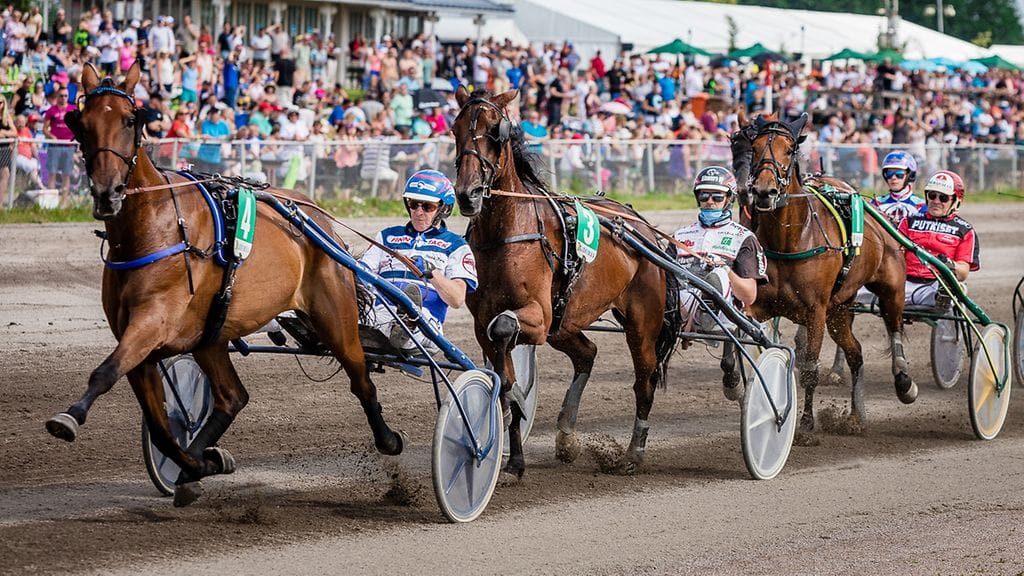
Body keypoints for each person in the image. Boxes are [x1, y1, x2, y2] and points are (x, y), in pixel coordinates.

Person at [359, 170, 477, 356]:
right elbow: (362, 271)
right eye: (413, 204)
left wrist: (432, 273)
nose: (418, 212)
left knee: (413, 312)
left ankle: (406, 322)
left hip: (426, 322)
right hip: (378, 312)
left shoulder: (456, 246)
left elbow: (457, 299)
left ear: (444, 209)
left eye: (427, 207)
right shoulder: (387, 236)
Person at [672, 166, 767, 335]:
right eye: (704, 195)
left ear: (729, 199)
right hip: (681, 305)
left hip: (725, 314)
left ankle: (708, 311)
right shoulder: (679, 236)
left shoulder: (744, 238)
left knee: (719, 274)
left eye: (717, 196)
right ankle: (698, 312)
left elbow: (749, 296)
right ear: (697, 198)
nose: (709, 201)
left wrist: (725, 269)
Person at [898, 170, 979, 310]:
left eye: (943, 198)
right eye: (932, 195)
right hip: (901, 284)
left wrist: (949, 265)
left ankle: (947, 300)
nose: (936, 201)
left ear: (956, 201)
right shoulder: (908, 221)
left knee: (948, 296)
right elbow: (895, 253)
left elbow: (963, 272)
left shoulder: (965, 230)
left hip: (935, 286)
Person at [43, 87, 77, 206]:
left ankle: (64, 201)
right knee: (52, 173)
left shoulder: (73, 109)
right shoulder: (51, 110)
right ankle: (52, 202)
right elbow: (45, 129)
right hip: (55, 146)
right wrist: (51, 136)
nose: (63, 98)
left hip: (69, 146)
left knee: (66, 174)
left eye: (65, 96)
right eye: (61, 95)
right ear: (57, 96)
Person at [873, 150, 925, 223]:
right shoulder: (876, 203)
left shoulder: (921, 206)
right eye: (889, 173)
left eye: (899, 174)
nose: (893, 178)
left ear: (910, 175)